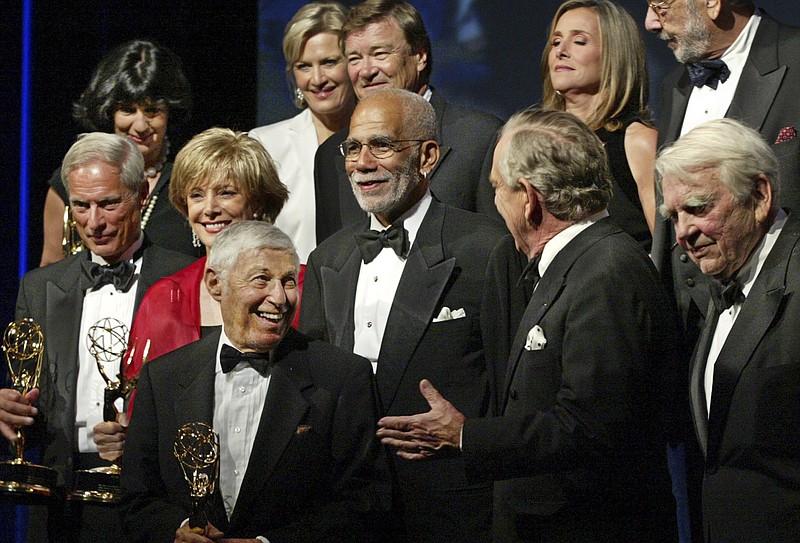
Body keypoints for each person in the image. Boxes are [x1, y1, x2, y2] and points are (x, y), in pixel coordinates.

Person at [376, 108, 679, 543]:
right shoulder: (575, 265)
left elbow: (589, 425)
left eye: (497, 188)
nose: (495, 201)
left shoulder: (606, 272)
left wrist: (466, 436)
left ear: (528, 198)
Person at [300, 88, 506, 542]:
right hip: (347, 507)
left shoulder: (486, 249)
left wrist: (470, 435)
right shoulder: (326, 260)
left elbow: (515, 388)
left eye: (382, 145)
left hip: (453, 501)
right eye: (353, 147)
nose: (362, 162)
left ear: (428, 156)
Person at [644, 2, 800, 538]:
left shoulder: (797, 57)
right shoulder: (675, 88)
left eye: (660, 4)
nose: (648, 21)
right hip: (701, 338)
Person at [120, 221, 377, 543]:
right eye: (262, 280)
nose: (280, 298)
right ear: (216, 284)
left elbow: (363, 503)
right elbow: (137, 498)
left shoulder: (340, 376)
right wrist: (177, 530)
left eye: (288, 282)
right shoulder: (164, 377)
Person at [0, 133, 195, 542]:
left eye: (109, 203)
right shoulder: (40, 287)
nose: (94, 222)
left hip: (152, 502)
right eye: (81, 206)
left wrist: (140, 433)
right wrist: (12, 413)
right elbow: (31, 405)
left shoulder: (185, 280)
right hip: (59, 504)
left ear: (141, 195)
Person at [91, 128, 289, 462]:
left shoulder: (301, 285)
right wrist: (126, 435)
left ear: (256, 202)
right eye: (197, 195)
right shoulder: (163, 297)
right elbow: (143, 412)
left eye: (225, 193)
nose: (209, 208)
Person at [313, 0, 504, 243]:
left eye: (380, 53)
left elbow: (501, 255)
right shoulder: (330, 155)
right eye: (354, 59)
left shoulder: (480, 137)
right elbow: (331, 264)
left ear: (420, 56)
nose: (366, 71)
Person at [40, 39, 197, 266]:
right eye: (127, 110)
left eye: (152, 111)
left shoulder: (191, 186)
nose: (140, 125)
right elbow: (50, 273)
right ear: (108, 111)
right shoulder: (70, 184)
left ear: (170, 112)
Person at [542, 0, 656, 250]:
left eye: (579, 41)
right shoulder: (535, 144)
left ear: (615, 55)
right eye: (555, 42)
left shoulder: (637, 141)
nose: (561, 51)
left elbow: (666, 249)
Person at [250, 2, 355, 266]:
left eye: (329, 62)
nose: (317, 79)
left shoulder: (384, 139)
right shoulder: (265, 145)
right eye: (304, 66)